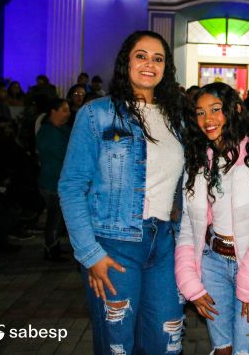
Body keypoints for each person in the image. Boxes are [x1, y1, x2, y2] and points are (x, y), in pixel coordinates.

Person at [59, 30, 185, 354]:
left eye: (158, 59)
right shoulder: (97, 113)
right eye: (141, 56)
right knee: (118, 346)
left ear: (166, 68)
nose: (149, 64)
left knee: (166, 342)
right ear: (125, 62)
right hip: (114, 245)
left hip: (165, 244)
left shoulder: (175, 118)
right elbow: (72, 186)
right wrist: (90, 254)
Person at [175, 82, 249, 355]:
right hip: (212, 265)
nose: (207, 119)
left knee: (244, 351)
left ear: (235, 109)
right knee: (222, 349)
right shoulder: (198, 159)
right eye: (200, 112)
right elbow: (189, 226)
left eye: (215, 109)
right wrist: (189, 282)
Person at [36, 98, 71, 261]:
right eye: (64, 110)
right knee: (54, 218)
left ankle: (53, 246)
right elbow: (61, 155)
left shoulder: (61, 130)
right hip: (52, 182)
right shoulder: (48, 133)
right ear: (53, 111)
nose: (68, 113)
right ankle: (50, 248)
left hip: (57, 180)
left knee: (56, 217)